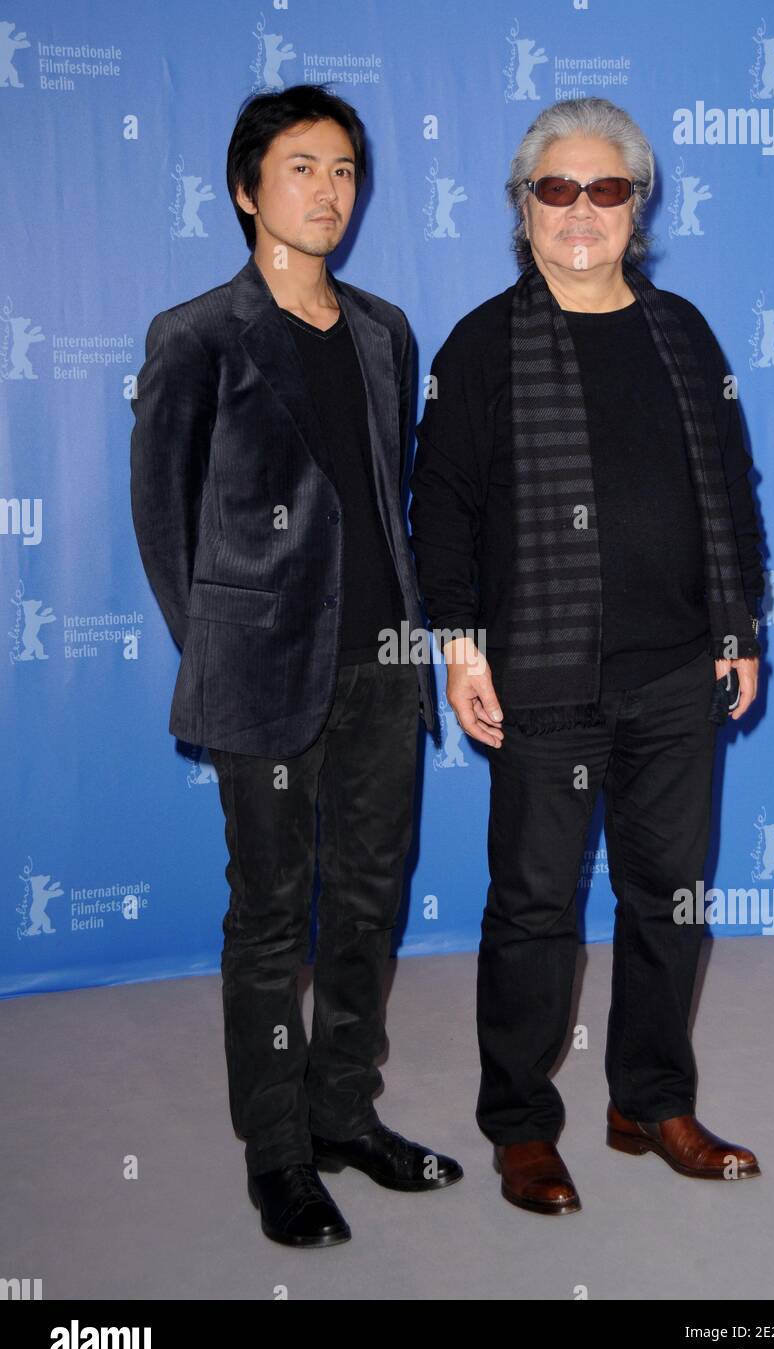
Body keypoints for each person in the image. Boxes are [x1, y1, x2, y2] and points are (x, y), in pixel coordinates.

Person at [409, 97, 765, 1216]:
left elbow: (731, 491)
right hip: (543, 678)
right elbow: (443, 512)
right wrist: (459, 651)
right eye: (555, 189)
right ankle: (520, 1123)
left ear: (637, 205)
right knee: (533, 907)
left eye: (604, 188)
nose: (580, 210)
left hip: (674, 678)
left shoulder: (684, 333)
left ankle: (647, 1102)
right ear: (523, 209)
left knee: (671, 899)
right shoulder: (480, 345)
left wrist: (738, 627)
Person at [130, 84, 461, 1249]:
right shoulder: (196, 335)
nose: (329, 191)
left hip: (383, 662)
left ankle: (343, 1115)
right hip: (264, 678)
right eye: (303, 168)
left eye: (344, 171)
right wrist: (227, 651)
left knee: (367, 906)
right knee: (271, 921)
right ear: (244, 189)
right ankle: (276, 1153)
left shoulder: (382, 330)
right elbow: (165, 529)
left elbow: (385, 501)